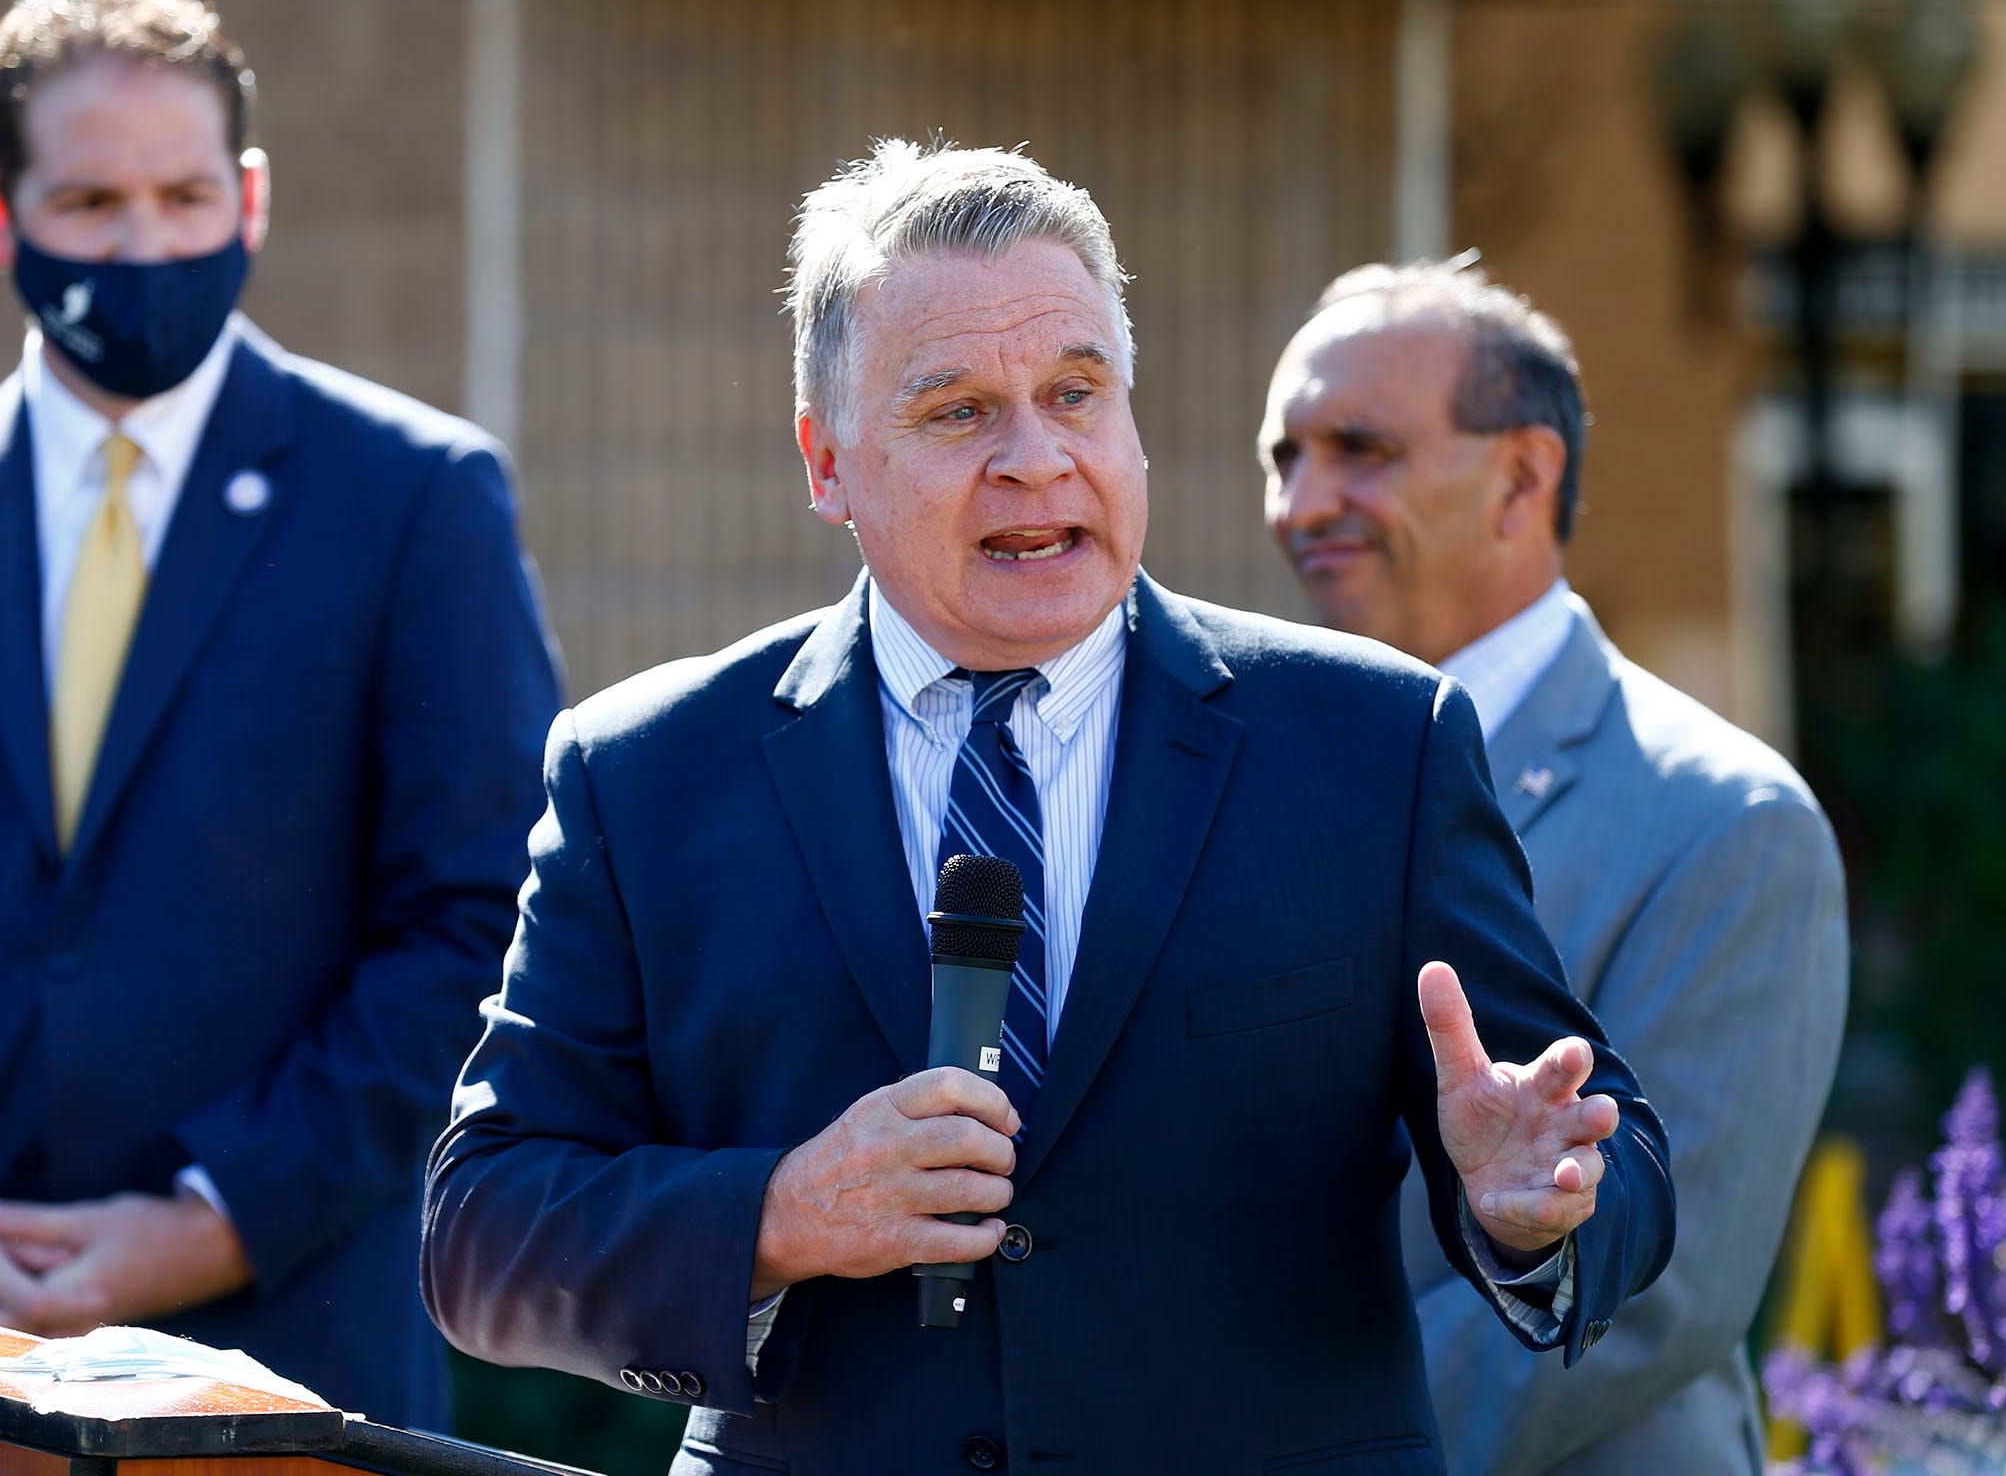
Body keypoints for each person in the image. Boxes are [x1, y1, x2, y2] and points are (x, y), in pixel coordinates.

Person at [423, 141, 1674, 1475]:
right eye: (958, 411)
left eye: (1076, 393)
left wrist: (1532, 1208)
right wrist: (780, 1213)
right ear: (828, 460)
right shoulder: (647, 773)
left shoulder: (1375, 744)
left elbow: (1615, 1158)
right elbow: (484, 1232)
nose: (1037, 458)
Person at [0, 0, 562, 1428]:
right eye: (91, 204)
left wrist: (207, 1219)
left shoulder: (416, 501)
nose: (146, 242)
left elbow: (478, 927)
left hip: (287, 1363)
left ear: (254, 197)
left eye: (186, 195)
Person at [1259, 258, 1847, 1474]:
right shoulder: (1257, 775)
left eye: (1361, 449)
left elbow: (1654, 1296)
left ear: (1525, 475)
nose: (1306, 502)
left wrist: (1293, 1453)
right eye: (1285, 456)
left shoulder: (1727, 822)